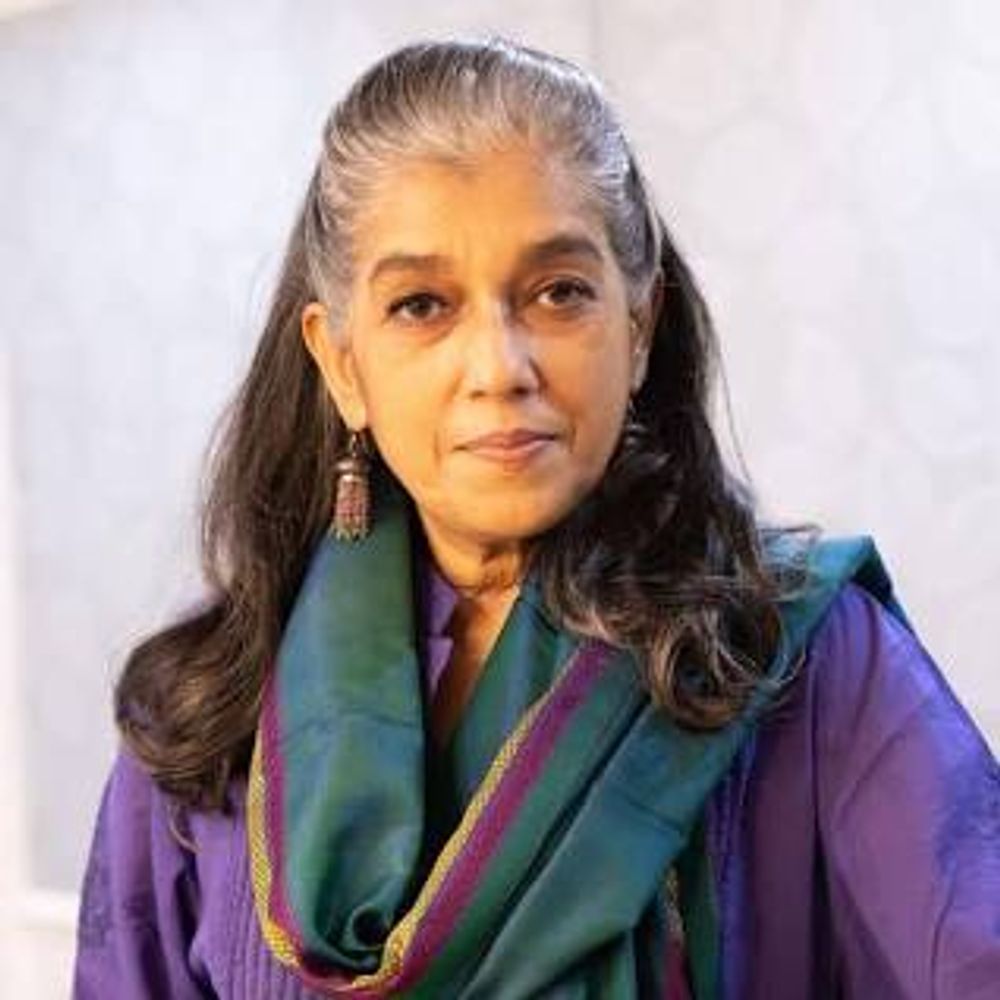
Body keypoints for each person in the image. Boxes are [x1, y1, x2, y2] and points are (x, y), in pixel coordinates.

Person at [72, 37, 998, 999]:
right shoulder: (207, 709)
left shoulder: (799, 659)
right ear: (342, 363)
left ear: (639, 325)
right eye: (422, 306)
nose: (499, 367)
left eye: (559, 294)